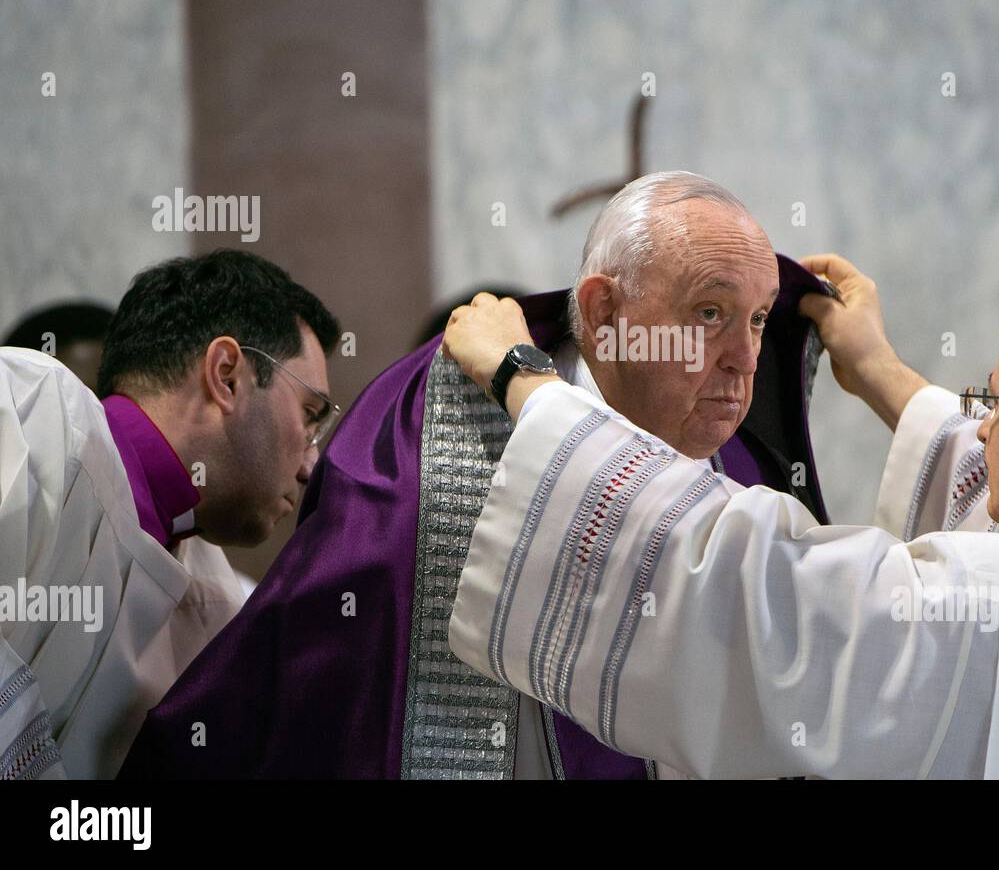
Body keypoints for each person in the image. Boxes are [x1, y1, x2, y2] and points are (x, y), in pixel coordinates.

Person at [441, 254, 999, 779]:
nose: (979, 424)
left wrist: (528, 381)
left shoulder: (963, 613)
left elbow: (718, 571)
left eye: (992, 404)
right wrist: (878, 368)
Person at [122, 171, 832, 779]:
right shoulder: (425, 457)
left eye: (760, 318)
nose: (745, 356)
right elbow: (302, 683)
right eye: (709, 314)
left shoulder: (747, 471)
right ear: (605, 312)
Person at [0, 250, 339, 778]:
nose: (312, 464)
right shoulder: (30, 411)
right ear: (226, 376)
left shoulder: (220, 608)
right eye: (310, 415)